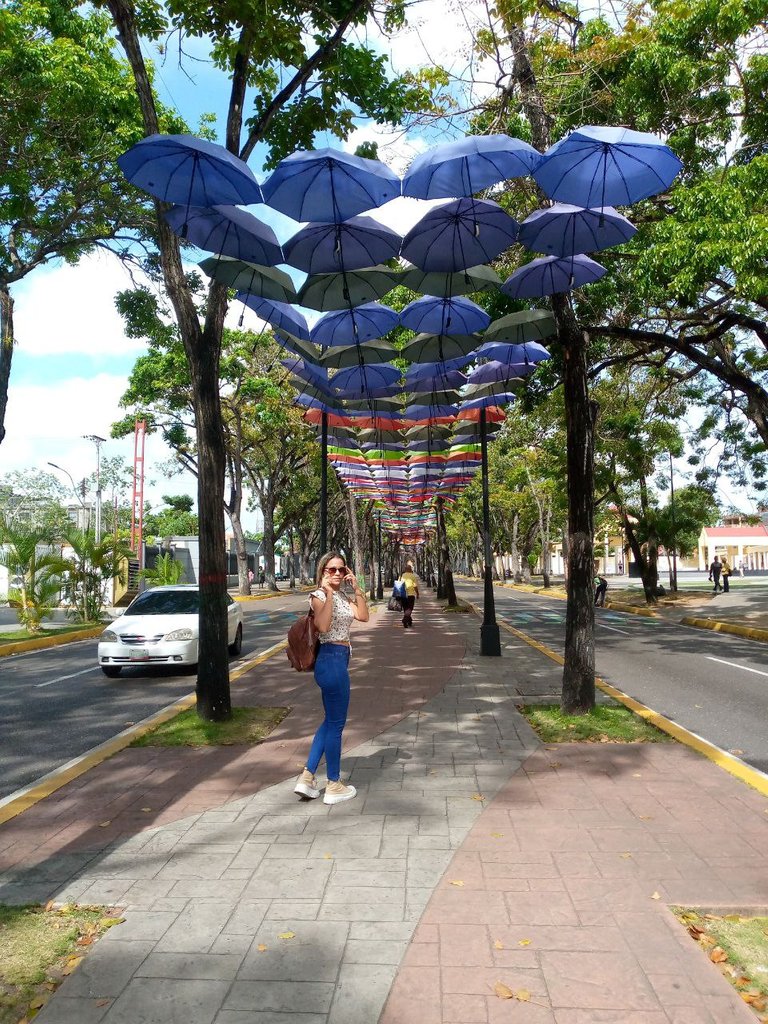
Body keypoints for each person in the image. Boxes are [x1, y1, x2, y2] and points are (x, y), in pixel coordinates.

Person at [294, 552, 369, 805]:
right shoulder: (319, 596)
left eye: (340, 569)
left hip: (339, 660)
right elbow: (324, 627)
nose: (337, 574)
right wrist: (325, 592)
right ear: (322, 571)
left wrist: (358, 588)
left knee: (329, 722)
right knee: (337, 725)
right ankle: (334, 784)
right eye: (331, 570)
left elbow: (363, 616)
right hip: (331, 660)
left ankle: (307, 777)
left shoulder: (342, 595)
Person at [398, 562, 420, 629]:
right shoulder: (413, 576)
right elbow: (415, 586)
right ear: (410, 570)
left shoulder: (402, 576)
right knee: (410, 608)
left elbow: (398, 585)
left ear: (405, 570)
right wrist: (417, 593)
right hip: (410, 595)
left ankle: (409, 621)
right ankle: (405, 620)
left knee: (406, 608)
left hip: (403, 595)